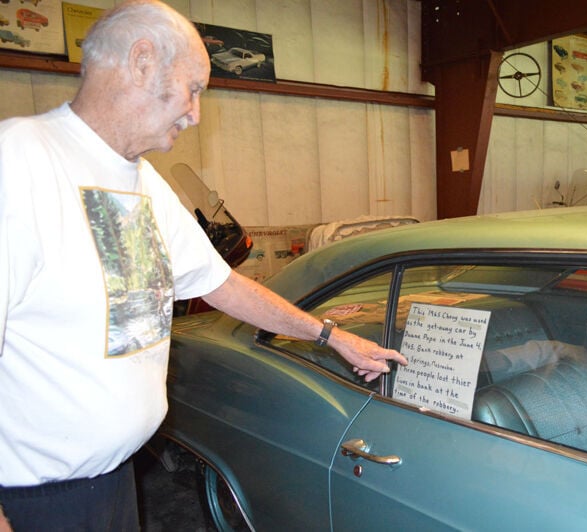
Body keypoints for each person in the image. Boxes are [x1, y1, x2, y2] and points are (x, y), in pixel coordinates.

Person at [0, 1, 407, 529]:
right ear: (142, 61)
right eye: (194, 88)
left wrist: (331, 336)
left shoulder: (143, 182)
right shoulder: (21, 164)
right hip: (34, 501)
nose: (195, 114)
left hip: (112, 482)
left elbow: (225, 286)